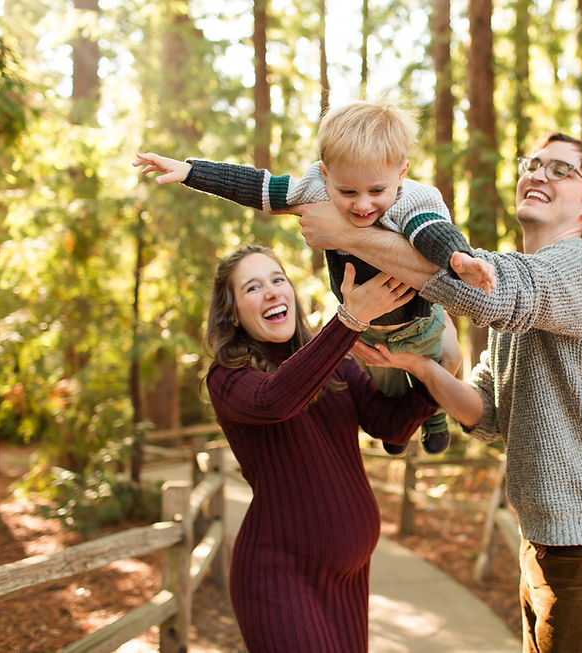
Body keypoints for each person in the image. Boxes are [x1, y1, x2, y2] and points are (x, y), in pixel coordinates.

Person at [293, 132, 582, 653]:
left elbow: (493, 293)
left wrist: (350, 233)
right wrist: (419, 364)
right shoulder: (524, 288)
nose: (538, 174)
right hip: (551, 537)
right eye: (532, 164)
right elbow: (486, 415)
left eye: (560, 171)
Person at [134, 100, 494, 457]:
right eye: (347, 192)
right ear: (325, 175)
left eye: (376, 192)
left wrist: (459, 259)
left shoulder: (412, 197)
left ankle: (435, 421)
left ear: (401, 173)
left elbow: (430, 231)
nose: (363, 205)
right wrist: (191, 172)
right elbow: (260, 188)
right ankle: (407, 426)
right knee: (388, 385)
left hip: (417, 321)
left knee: (442, 362)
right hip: (368, 328)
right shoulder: (316, 190)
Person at [202, 244, 441, 652]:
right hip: (278, 576)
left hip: (349, 578)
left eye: (278, 280)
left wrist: (431, 373)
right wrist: (350, 320)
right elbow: (277, 399)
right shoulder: (228, 378)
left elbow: (390, 427)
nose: (273, 292)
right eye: (253, 288)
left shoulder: (335, 362)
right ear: (232, 314)